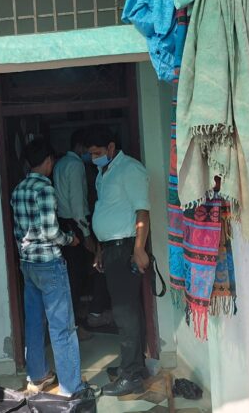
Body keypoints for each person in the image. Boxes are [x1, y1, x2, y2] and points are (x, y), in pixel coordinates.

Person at [10, 137, 84, 397]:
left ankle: (37, 376)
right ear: (49, 161)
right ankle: (71, 388)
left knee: (34, 323)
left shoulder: (18, 189)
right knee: (62, 327)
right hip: (49, 264)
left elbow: (19, 231)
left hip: (28, 264)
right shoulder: (44, 188)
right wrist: (70, 239)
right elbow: (51, 231)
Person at [86, 127, 151, 397]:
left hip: (126, 248)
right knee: (127, 310)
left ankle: (131, 374)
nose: (93, 158)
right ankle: (135, 365)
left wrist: (139, 249)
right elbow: (108, 211)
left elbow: (142, 210)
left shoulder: (130, 169)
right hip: (112, 248)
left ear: (111, 148)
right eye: (90, 154)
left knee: (125, 313)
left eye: (97, 152)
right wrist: (100, 250)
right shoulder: (103, 174)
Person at [52, 129, 95, 341]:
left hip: (63, 223)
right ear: (80, 146)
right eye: (88, 149)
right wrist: (86, 234)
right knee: (77, 278)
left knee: (70, 278)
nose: (91, 154)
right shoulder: (76, 165)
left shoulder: (59, 164)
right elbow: (77, 204)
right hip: (76, 225)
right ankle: (78, 325)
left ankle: (75, 323)